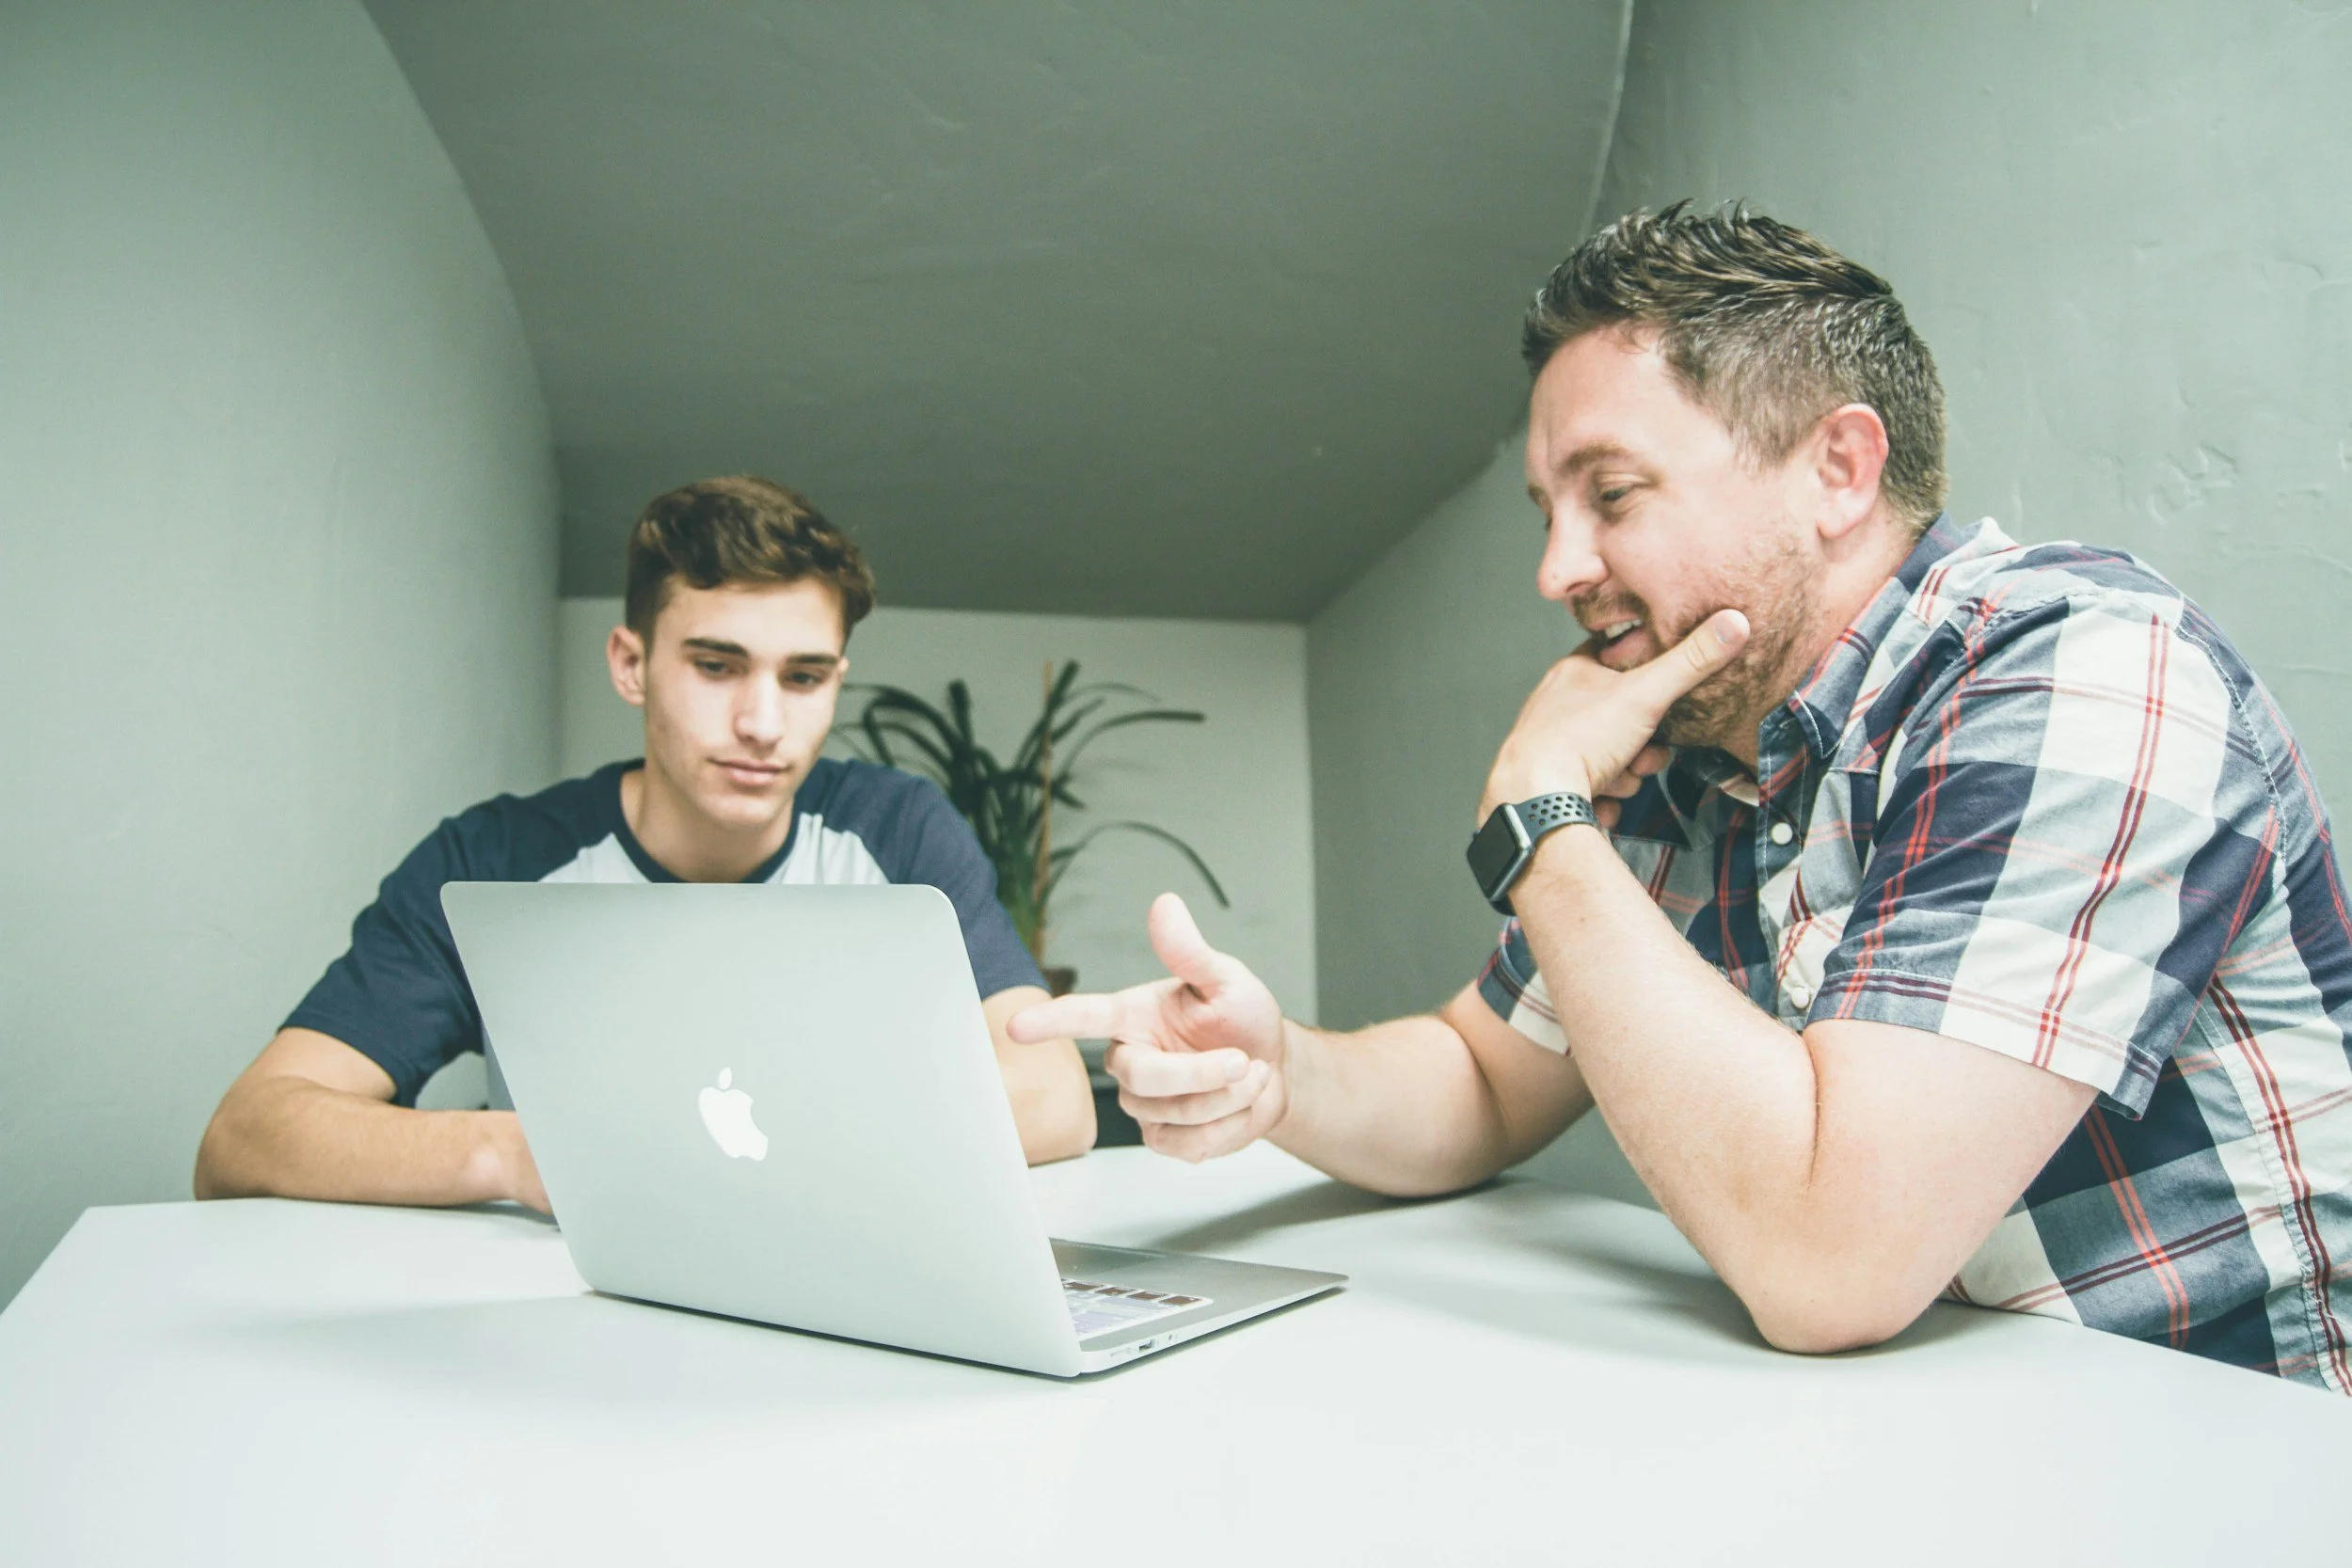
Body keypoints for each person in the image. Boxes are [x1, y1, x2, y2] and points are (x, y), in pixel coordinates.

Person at [1013, 203, 2352, 1390]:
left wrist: (1541, 813)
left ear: (1839, 469)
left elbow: (1832, 1258)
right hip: (1925, 1430)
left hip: (2229, 1453)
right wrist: (1280, 1069)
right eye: (1548, 508)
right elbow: (1485, 1074)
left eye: (1611, 494)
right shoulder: (1703, 743)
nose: (1557, 566)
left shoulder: (2082, 669)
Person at [198, 476, 1094, 1210]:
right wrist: (518, 1153)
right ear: (632, 664)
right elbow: (247, 1133)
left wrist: (745, 1143)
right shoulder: (495, 859)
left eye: (805, 676)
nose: (763, 722)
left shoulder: (896, 831)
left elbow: (1055, 1100)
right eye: (716, 665)